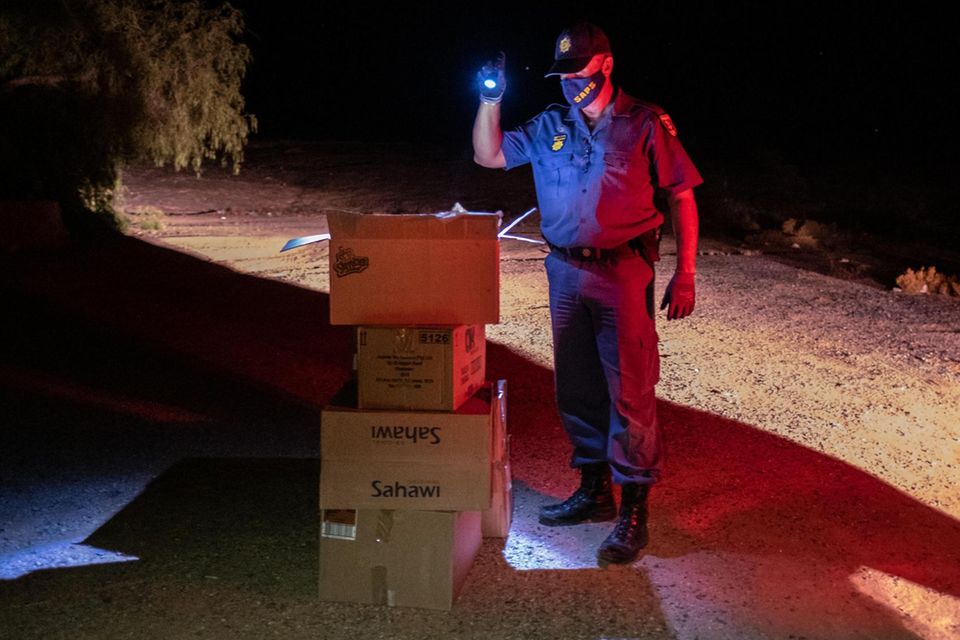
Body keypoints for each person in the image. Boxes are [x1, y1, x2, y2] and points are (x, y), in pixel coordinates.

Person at [472, 22, 702, 565]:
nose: (569, 82)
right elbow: (489, 155)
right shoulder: (553, 124)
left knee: (630, 391)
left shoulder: (644, 123)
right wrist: (491, 100)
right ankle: (595, 491)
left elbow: (683, 195)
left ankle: (634, 511)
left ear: (605, 64)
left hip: (623, 273)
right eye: (562, 74)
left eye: (579, 71)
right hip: (565, 272)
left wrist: (686, 271)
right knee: (576, 388)